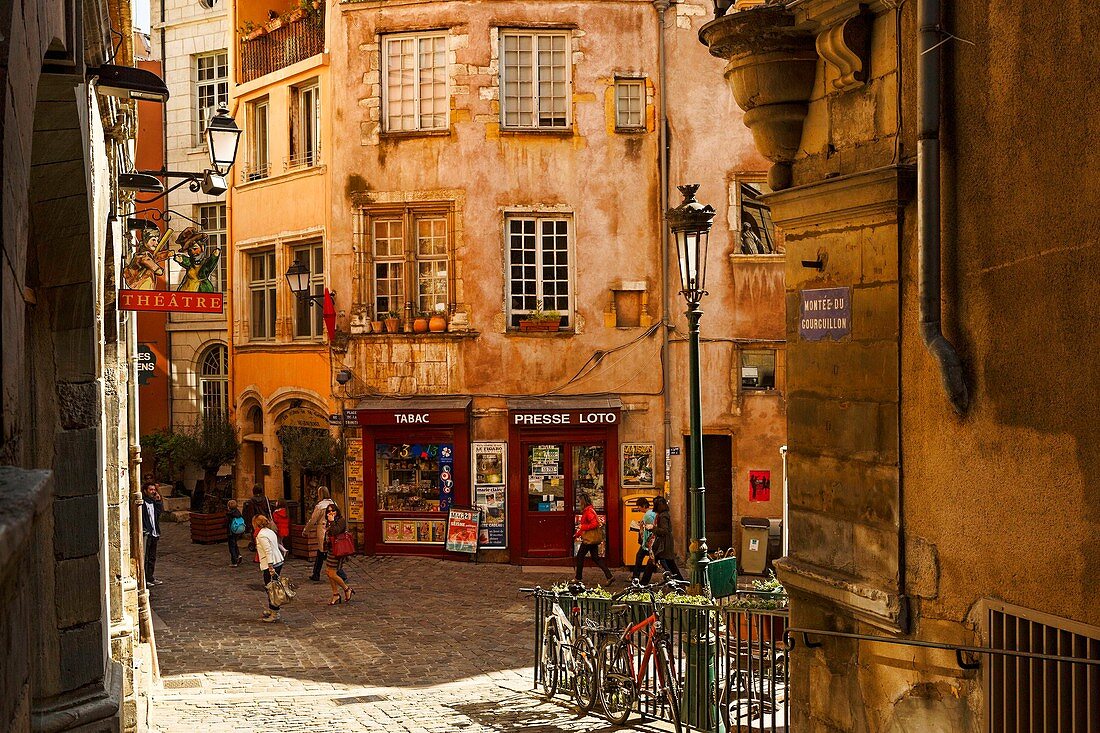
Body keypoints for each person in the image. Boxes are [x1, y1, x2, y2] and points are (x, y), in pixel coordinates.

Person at [303, 487, 347, 583]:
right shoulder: (334, 503)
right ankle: (316, 573)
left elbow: (313, 520)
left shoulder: (320, 506)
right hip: (332, 529)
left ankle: (340, 573)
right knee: (322, 552)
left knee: (326, 552)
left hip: (324, 530)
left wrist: (306, 530)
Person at [641, 496, 685, 584]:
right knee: (664, 563)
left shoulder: (663, 516)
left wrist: (652, 528)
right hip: (663, 544)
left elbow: (664, 531)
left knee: (669, 564)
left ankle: (680, 583)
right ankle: (680, 583)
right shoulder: (663, 514)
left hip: (663, 545)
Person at [573, 493, 614, 585]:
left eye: (580, 501)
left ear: (583, 502)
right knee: (596, 558)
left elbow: (594, 524)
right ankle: (609, 576)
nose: (579, 503)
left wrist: (582, 528)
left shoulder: (588, 512)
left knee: (580, 556)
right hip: (592, 539)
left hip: (589, 540)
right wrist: (578, 533)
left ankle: (578, 577)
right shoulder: (589, 510)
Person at [254, 515, 286, 622]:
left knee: (272, 589)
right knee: (272, 588)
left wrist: (270, 566)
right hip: (278, 561)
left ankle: (275, 613)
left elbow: (268, 551)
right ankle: (272, 609)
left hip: (272, 564)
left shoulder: (261, 535)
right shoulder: (269, 531)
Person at [322, 504, 353, 605]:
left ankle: (347, 588)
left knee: (332, 573)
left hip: (339, 550)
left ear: (337, 511)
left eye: (333, 511)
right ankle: (335, 594)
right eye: (329, 511)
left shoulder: (341, 521)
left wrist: (331, 521)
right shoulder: (329, 522)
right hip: (331, 549)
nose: (331, 513)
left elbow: (336, 531)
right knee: (328, 571)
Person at [141, 481, 163, 588]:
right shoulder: (143, 503)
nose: (153, 492)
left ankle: (150, 577)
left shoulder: (153, 502)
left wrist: (158, 500)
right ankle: (144, 578)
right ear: (146, 491)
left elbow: (159, 514)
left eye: (154, 489)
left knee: (152, 557)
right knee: (146, 557)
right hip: (147, 533)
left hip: (154, 533)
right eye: (151, 490)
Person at [630, 497, 657, 582]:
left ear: (644, 506)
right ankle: (636, 577)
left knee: (640, 557)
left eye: (639, 506)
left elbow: (648, 528)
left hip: (648, 542)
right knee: (641, 557)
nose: (638, 508)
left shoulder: (647, 515)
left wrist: (640, 528)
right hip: (651, 541)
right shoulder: (652, 513)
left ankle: (636, 577)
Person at [242, 485, 272, 552]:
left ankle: (257, 545)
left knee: (256, 533)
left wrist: (250, 522)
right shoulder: (265, 499)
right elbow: (268, 509)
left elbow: (251, 512)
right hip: (264, 518)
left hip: (256, 519)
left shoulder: (251, 501)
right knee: (265, 532)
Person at [225, 499, 245, 567]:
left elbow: (226, 523)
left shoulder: (229, 514)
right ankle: (238, 555)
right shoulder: (238, 512)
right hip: (238, 531)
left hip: (231, 532)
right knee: (235, 543)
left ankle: (234, 561)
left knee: (231, 546)